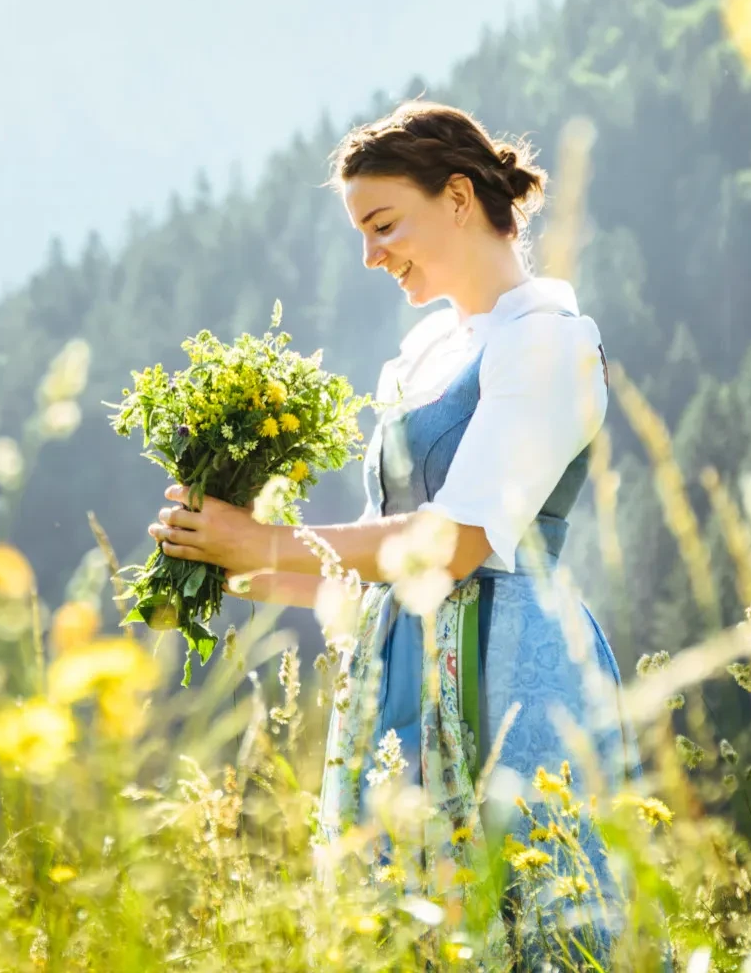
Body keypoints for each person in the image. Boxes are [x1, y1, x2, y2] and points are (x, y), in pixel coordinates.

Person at [146, 99, 629, 965]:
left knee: (523, 914)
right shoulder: (421, 358)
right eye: (361, 234)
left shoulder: (550, 342)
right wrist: (223, 554)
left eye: (383, 225)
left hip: (507, 663)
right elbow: (364, 562)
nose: (371, 255)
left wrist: (263, 543)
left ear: (456, 197)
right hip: (396, 665)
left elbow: (455, 543)